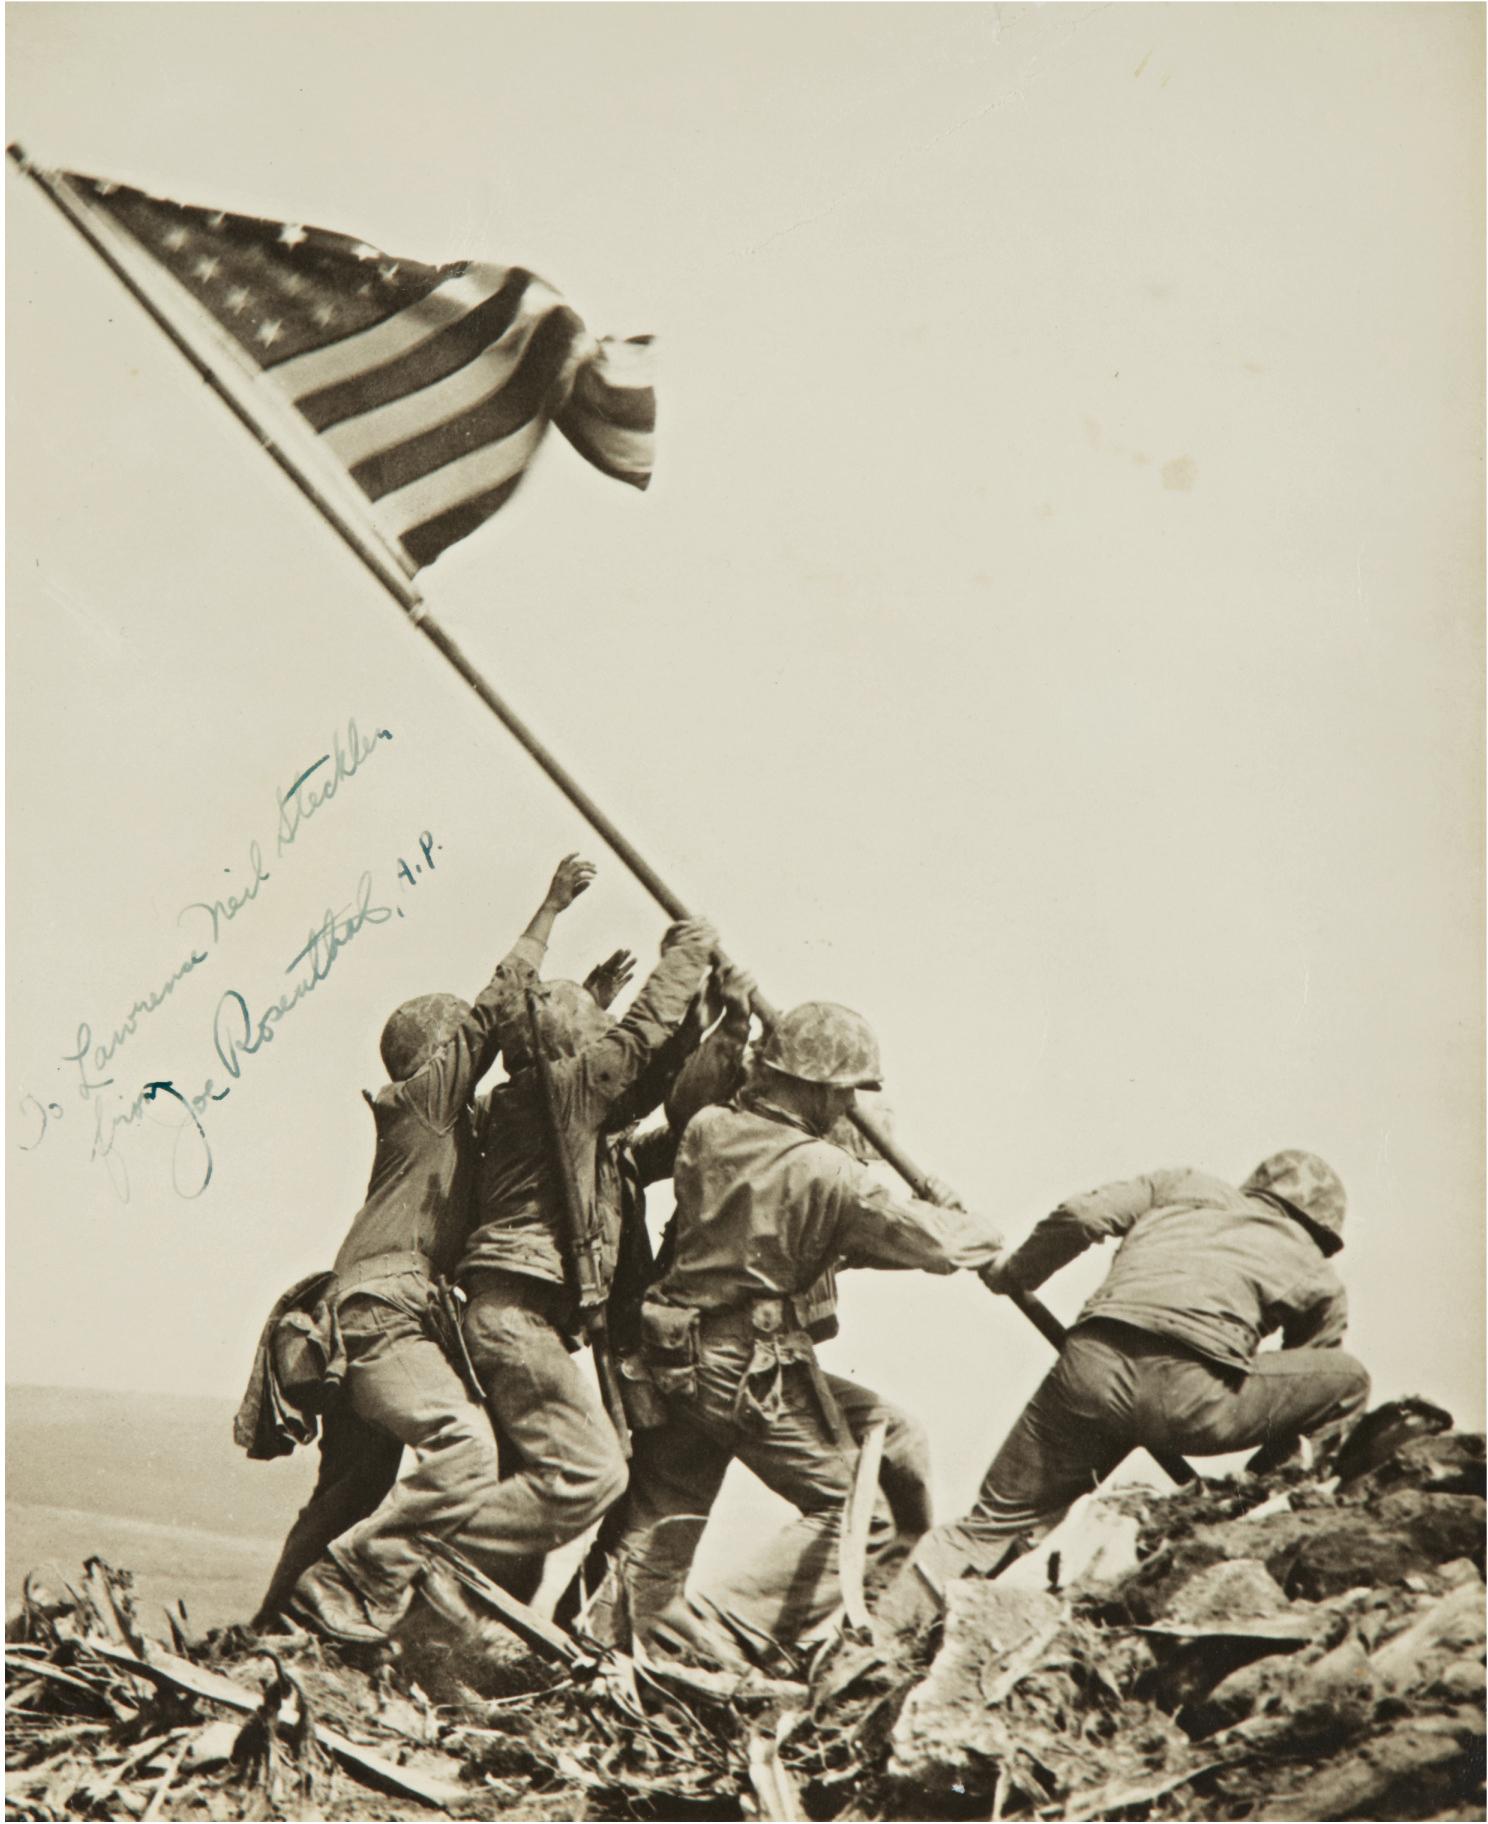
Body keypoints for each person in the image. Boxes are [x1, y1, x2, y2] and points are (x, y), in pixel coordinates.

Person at [593, 1001, 1006, 1669]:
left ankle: (601, 1640)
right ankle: (722, 1635)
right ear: (814, 1085)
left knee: (671, 1508)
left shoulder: (711, 1128)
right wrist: (969, 1220)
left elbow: (801, 1231)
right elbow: (936, 1246)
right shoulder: (829, 1173)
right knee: (858, 1513)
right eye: (843, 1090)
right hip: (746, 1365)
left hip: (677, 1355)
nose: (848, 1104)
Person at [260, 856, 595, 1641]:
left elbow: (524, 1060)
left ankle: (271, 1632)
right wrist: (549, 909)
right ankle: (355, 1590)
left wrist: (584, 1014)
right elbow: (491, 1011)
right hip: (384, 1314)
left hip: (363, 1318)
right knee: (465, 1446)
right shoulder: (423, 1102)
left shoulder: (440, 1130)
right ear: (436, 1056)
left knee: (351, 1489)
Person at [878, 1150, 1371, 1628]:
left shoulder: (1182, 1185)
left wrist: (1017, 1273)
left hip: (1089, 1371)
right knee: (1348, 1378)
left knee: (987, 1524)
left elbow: (1081, 1214)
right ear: (1322, 1230)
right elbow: (1300, 1396)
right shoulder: (1318, 1273)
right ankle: (1255, 1504)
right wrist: (1250, 1496)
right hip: (1192, 1400)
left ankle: (874, 1638)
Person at [443, 913, 720, 1606]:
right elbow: (636, 1044)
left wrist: (709, 1020)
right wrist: (687, 956)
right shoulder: (556, 1092)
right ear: (573, 1048)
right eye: (595, 1033)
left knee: (534, 1504)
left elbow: (650, 1091)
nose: (608, 1047)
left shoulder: (558, 1119)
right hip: (516, 1321)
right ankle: (418, 1553)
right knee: (590, 1473)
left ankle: (463, 1628)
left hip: (520, 1322)